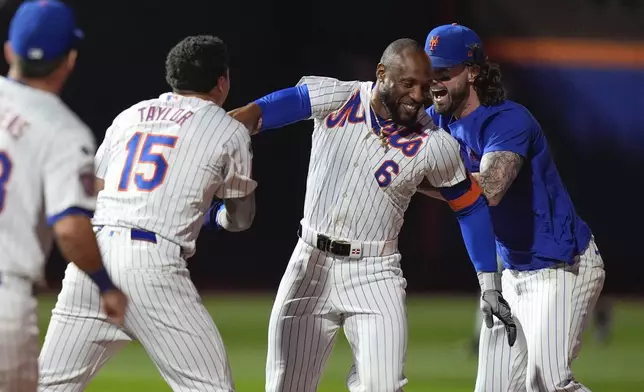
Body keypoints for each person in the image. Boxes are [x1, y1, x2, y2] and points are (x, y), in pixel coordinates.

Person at [229, 38, 515, 392]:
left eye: (425, 87)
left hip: (375, 274)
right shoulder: (339, 97)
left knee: (383, 385)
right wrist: (224, 129)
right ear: (382, 74)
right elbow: (266, 111)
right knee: (286, 385)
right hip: (310, 262)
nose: (417, 95)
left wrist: (488, 283)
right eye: (408, 83)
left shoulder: (435, 143)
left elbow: (470, 207)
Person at [38, 35, 257, 392]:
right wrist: (213, 217)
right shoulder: (228, 128)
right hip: (149, 262)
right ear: (222, 81)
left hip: (91, 259)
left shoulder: (130, 115)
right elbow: (241, 219)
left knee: (47, 386)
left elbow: (96, 186)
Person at [420, 23, 606, 392]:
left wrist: (414, 180)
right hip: (512, 274)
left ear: (472, 71)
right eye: (430, 73)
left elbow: (489, 190)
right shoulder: (437, 120)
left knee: (548, 383)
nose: (434, 82)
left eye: (444, 72)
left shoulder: (507, 120)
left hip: (562, 266)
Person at [0, 1, 127, 391]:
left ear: (9, 51)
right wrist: (105, 284)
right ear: (68, 60)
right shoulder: (63, 131)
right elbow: (70, 229)